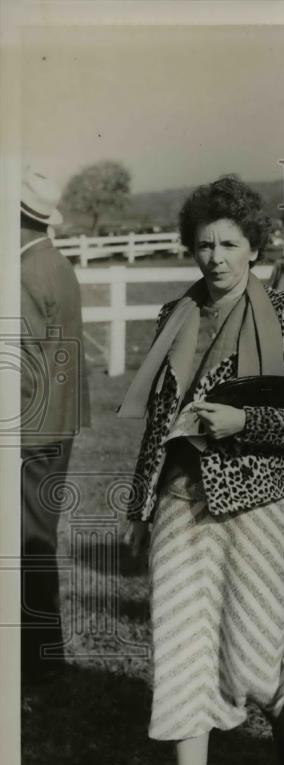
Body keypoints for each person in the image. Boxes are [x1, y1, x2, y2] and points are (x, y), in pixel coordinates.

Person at [120, 175, 284, 765]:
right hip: (181, 502)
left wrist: (247, 421)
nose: (214, 257)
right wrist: (137, 512)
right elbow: (156, 427)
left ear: (254, 248)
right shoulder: (174, 316)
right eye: (204, 244)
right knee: (180, 649)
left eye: (229, 244)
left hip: (258, 500)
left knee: (250, 650)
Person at [19, 166, 91, 686]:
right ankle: (43, 658)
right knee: (37, 541)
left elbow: (22, 365)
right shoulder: (57, 264)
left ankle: (38, 662)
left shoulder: (24, 272)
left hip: (29, 430)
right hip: (58, 423)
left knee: (28, 547)